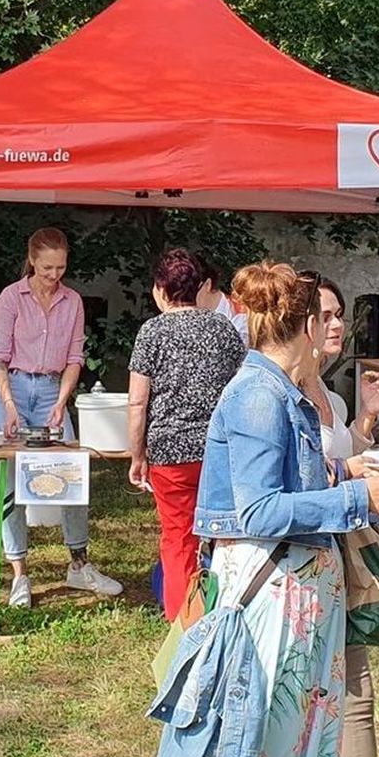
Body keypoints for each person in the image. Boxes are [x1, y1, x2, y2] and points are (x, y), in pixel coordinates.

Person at [150, 262, 379, 757]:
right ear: (308, 327)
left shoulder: (282, 391)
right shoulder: (257, 395)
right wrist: (358, 499)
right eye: (325, 319)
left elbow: (292, 479)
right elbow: (259, 510)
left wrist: (347, 472)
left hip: (299, 604)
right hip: (271, 606)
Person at [298, 271, 379, 757]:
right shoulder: (280, 394)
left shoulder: (328, 395)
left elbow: (344, 458)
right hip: (296, 570)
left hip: (340, 559)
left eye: (340, 315)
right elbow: (298, 485)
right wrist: (355, 477)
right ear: (300, 323)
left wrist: (366, 418)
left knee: (356, 693)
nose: (337, 325)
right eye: (327, 316)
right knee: (294, 700)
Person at [0, 227, 122, 607]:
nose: (54, 275)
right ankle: (20, 575)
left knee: (72, 472)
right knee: (10, 480)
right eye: (47, 268)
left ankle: (79, 564)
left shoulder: (72, 301)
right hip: (8, 386)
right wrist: (9, 405)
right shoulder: (10, 298)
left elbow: (75, 358)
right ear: (32, 261)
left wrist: (62, 402)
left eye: (60, 267)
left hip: (50, 387)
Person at [126, 248, 247, 620]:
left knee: (178, 539)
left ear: (161, 290)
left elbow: (137, 402)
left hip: (169, 454)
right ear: (199, 287)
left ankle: (184, 623)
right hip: (219, 450)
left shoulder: (152, 332)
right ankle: (228, 614)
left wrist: (137, 455)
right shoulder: (224, 328)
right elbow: (241, 390)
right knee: (227, 537)